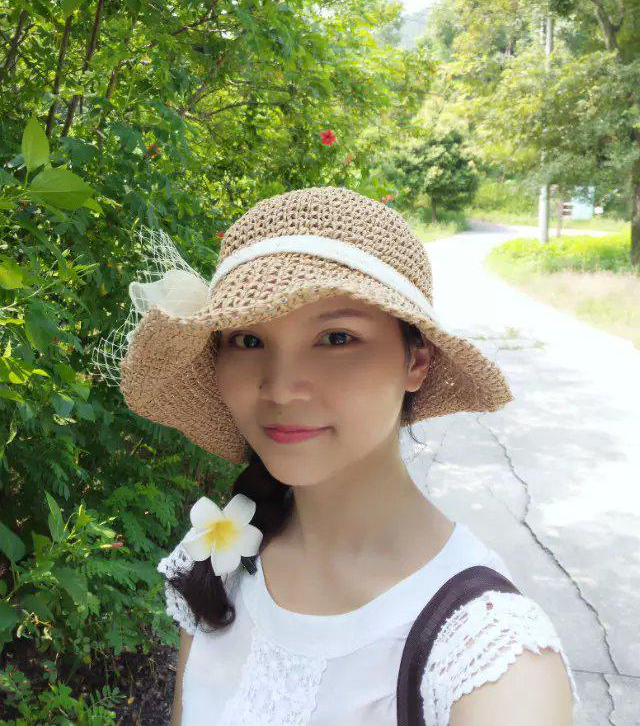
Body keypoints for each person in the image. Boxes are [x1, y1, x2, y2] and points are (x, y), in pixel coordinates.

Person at [93, 186, 581, 725]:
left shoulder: (490, 659)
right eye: (248, 341)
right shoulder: (216, 560)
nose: (281, 389)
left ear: (416, 361)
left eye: (337, 338)